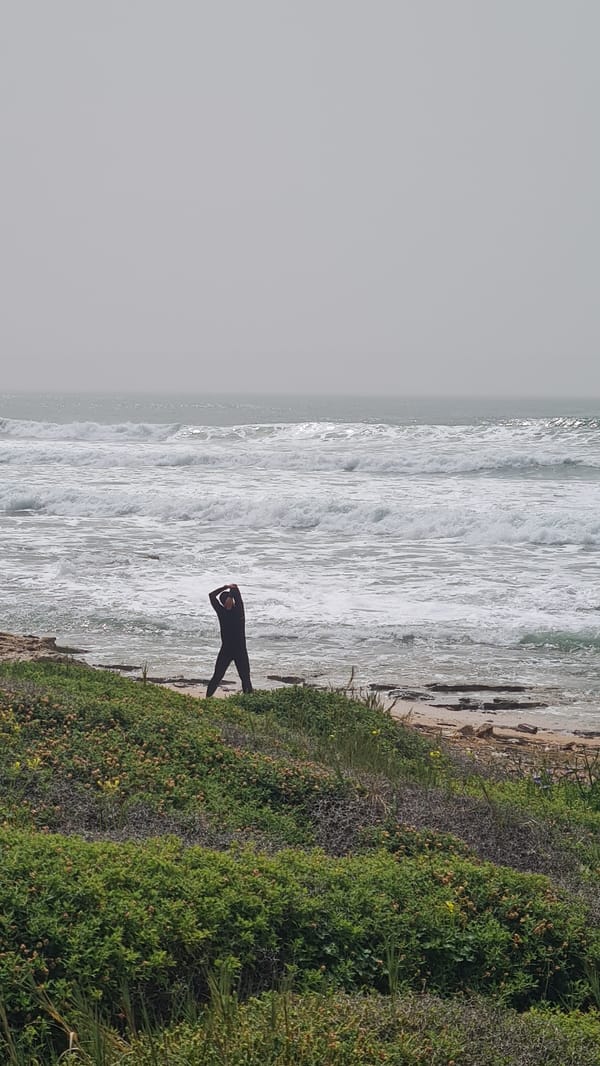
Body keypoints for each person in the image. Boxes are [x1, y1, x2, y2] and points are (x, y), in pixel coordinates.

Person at [206, 583, 253, 697]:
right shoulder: (222, 612)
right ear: (223, 603)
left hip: (240, 650)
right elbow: (211, 595)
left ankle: (250, 701)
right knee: (217, 676)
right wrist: (224, 587)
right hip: (226, 650)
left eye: (229, 600)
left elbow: (236, 589)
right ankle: (207, 700)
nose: (228, 602)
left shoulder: (239, 611)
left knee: (245, 678)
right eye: (225, 600)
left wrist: (231, 594)